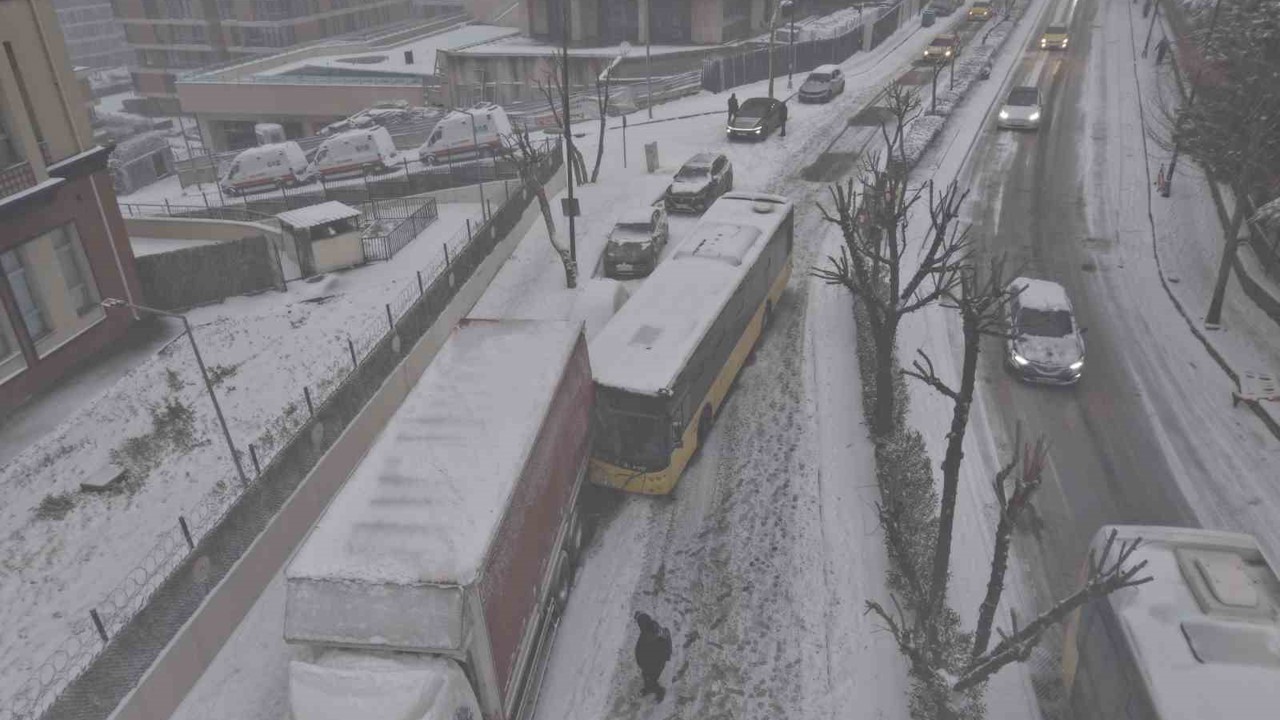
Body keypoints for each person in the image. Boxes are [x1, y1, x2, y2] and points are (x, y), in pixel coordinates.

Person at [634, 612, 672, 702]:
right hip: (649, 662)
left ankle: (660, 691)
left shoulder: (654, 633)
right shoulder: (649, 630)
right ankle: (649, 688)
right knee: (646, 677)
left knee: (650, 678)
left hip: (655, 663)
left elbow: (666, 637)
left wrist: (666, 656)